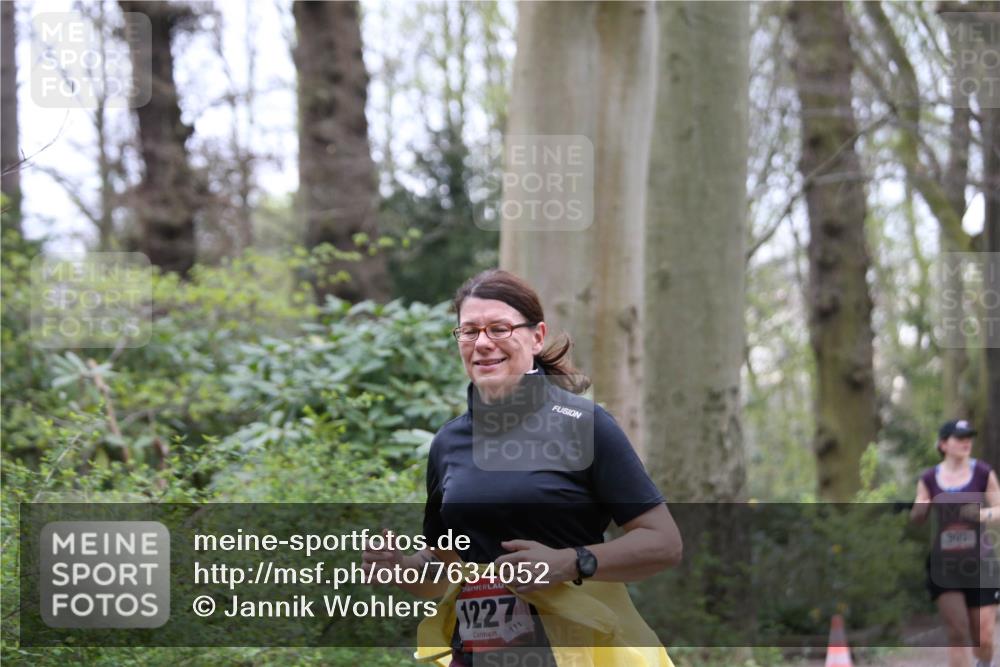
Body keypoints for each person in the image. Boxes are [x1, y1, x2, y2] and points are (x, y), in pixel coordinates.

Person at [362, 269, 682, 666]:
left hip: (574, 652)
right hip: (478, 654)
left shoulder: (584, 425)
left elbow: (663, 543)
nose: (482, 343)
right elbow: (446, 566)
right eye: (469, 331)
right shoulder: (448, 443)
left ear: (537, 336)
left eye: (499, 329)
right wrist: (403, 569)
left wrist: (567, 563)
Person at [911, 419, 1000, 667]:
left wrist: (979, 514)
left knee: (983, 636)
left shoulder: (983, 472)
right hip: (945, 565)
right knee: (957, 634)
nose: (966, 442)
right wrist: (920, 510)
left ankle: (984, 662)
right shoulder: (929, 478)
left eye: (969, 437)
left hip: (981, 562)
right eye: (959, 438)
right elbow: (918, 514)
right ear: (943, 444)